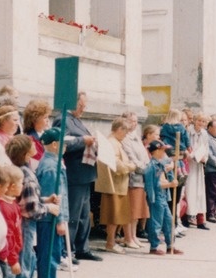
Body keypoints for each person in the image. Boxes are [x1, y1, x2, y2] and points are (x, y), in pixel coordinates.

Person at [5, 135, 57, 278]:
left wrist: (45, 200)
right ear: (26, 152)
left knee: (27, 262)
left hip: (19, 222)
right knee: (23, 265)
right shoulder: (25, 174)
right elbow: (30, 209)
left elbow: (28, 199)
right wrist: (49, 208)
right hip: (24, 226)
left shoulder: (16, 170)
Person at [54, 92, 102, 262]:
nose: (83, 109)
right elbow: (62, 143)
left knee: (83, 214)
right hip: (74, 173)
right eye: (81, 105)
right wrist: (84, 141)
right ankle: (68, 249)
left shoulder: (76, 120)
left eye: (84, 105)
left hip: (84, 173)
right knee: (73, 214)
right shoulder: (62, 119)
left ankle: (82, 247)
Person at [36, 128, 70, 278]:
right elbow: (54, 197)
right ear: (55, 144)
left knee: (50, 256)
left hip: (50, 218)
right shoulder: (51, 167)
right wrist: (60, 220)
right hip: (50, 219)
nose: (65, 146)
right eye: (63, 143)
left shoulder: (53, 162)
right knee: (49, 257)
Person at [95, 118, 137, 254]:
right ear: (120, 129)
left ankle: (111, 242)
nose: (125, 136)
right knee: (113, 215)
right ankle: (110, 243)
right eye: (125, 132)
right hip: (115, 184)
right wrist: (131, 166)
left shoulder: (114, 142)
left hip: (117, 184)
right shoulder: (112, 143)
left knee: (116, 215)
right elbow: (116, 164)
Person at [144, 140, 180, 255]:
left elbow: (170, 162)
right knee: (156, 221)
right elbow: (154, 185)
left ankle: (170, 245)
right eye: (162, 150)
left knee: (168, 220)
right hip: (157, 196)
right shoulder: (151, 166)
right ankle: (154, 246)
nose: (164, 152)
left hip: (163, 196)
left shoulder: (160, 163)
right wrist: (170, 184)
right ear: (156, 151)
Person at [120, 112, 152, 241]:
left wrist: (147, 166)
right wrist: (145, 169)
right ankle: (128, 237)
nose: (134, 124)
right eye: (131, 121)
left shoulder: (136, 136)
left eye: (136, 121)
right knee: (132, 210)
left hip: (141, 176)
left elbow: (144, 155)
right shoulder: (125, 138)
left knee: (138, 211)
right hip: (133, 176)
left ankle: (133, 236)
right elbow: (131, 157)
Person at [184, 113, 209, 229]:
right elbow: (187, 147)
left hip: (199, 165)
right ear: (195, 120)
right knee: (189, 190)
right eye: (199, 121)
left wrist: (204, 157)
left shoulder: (204, 133)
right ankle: (187, 217)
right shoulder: (188, 131)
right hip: (189, 163)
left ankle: (200, 218)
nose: (201, 124)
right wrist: (192, 155)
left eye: (204, 122)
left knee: (199, 191)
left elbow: (205, 147)